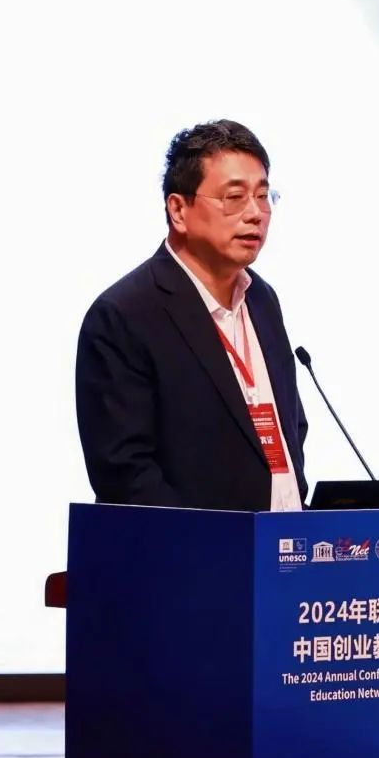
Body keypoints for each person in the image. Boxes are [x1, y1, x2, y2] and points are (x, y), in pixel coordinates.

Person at [75, 120, 307, 511]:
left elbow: (291, 430)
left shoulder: (263, 300)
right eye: (235, 197)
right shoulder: (125, 315)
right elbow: (126, 475)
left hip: (280, 542)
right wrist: (212, 541)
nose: (256, 213)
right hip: (191, 547)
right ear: (179, 210)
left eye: (263, 196)